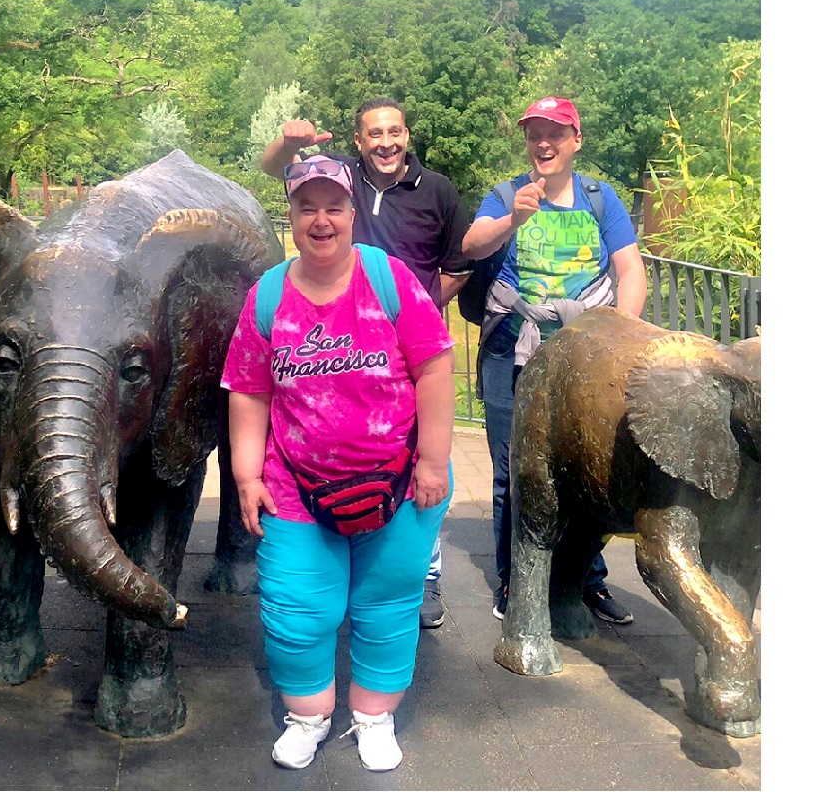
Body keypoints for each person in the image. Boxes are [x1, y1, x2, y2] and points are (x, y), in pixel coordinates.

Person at [222, 155, 456, 771]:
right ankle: (308, 717)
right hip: (297, 489)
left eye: (333, 207)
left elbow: (435, 368)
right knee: (296, 607)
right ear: (291, 216)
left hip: (401, 483)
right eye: (307, 208)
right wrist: (246, 475)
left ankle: (374, 719)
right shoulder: (268, 296)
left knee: (388, 602)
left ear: (352, 213)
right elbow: (249, 391)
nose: (320, 220)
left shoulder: (389, 279)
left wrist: (434, 462)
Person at [261, 96, 467, 629]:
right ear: (359, 141)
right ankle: (341, 582)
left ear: (407, 135)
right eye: (375, 133)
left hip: (405, 336)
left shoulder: (437, 190)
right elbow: (276, 169)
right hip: (333, 336)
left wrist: (413, 307)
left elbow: (459, 262)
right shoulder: (340, 176)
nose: (386, 142)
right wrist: (288, 141)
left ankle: (423, 577)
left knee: (418, 466)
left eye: (394, 131)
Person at [461, 96, 648, 623]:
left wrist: (620, 336)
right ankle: (514, 580)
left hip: (585, 354)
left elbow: (630, 270)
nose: (544, 143)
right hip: (512, 349)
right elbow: (472, 245)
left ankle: (587, 580)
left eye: (556, 133)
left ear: (575, 140)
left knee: (588, 466)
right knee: (511, 470)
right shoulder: (506, 195)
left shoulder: (600, 198)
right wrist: (512, 219)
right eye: (535, 134)